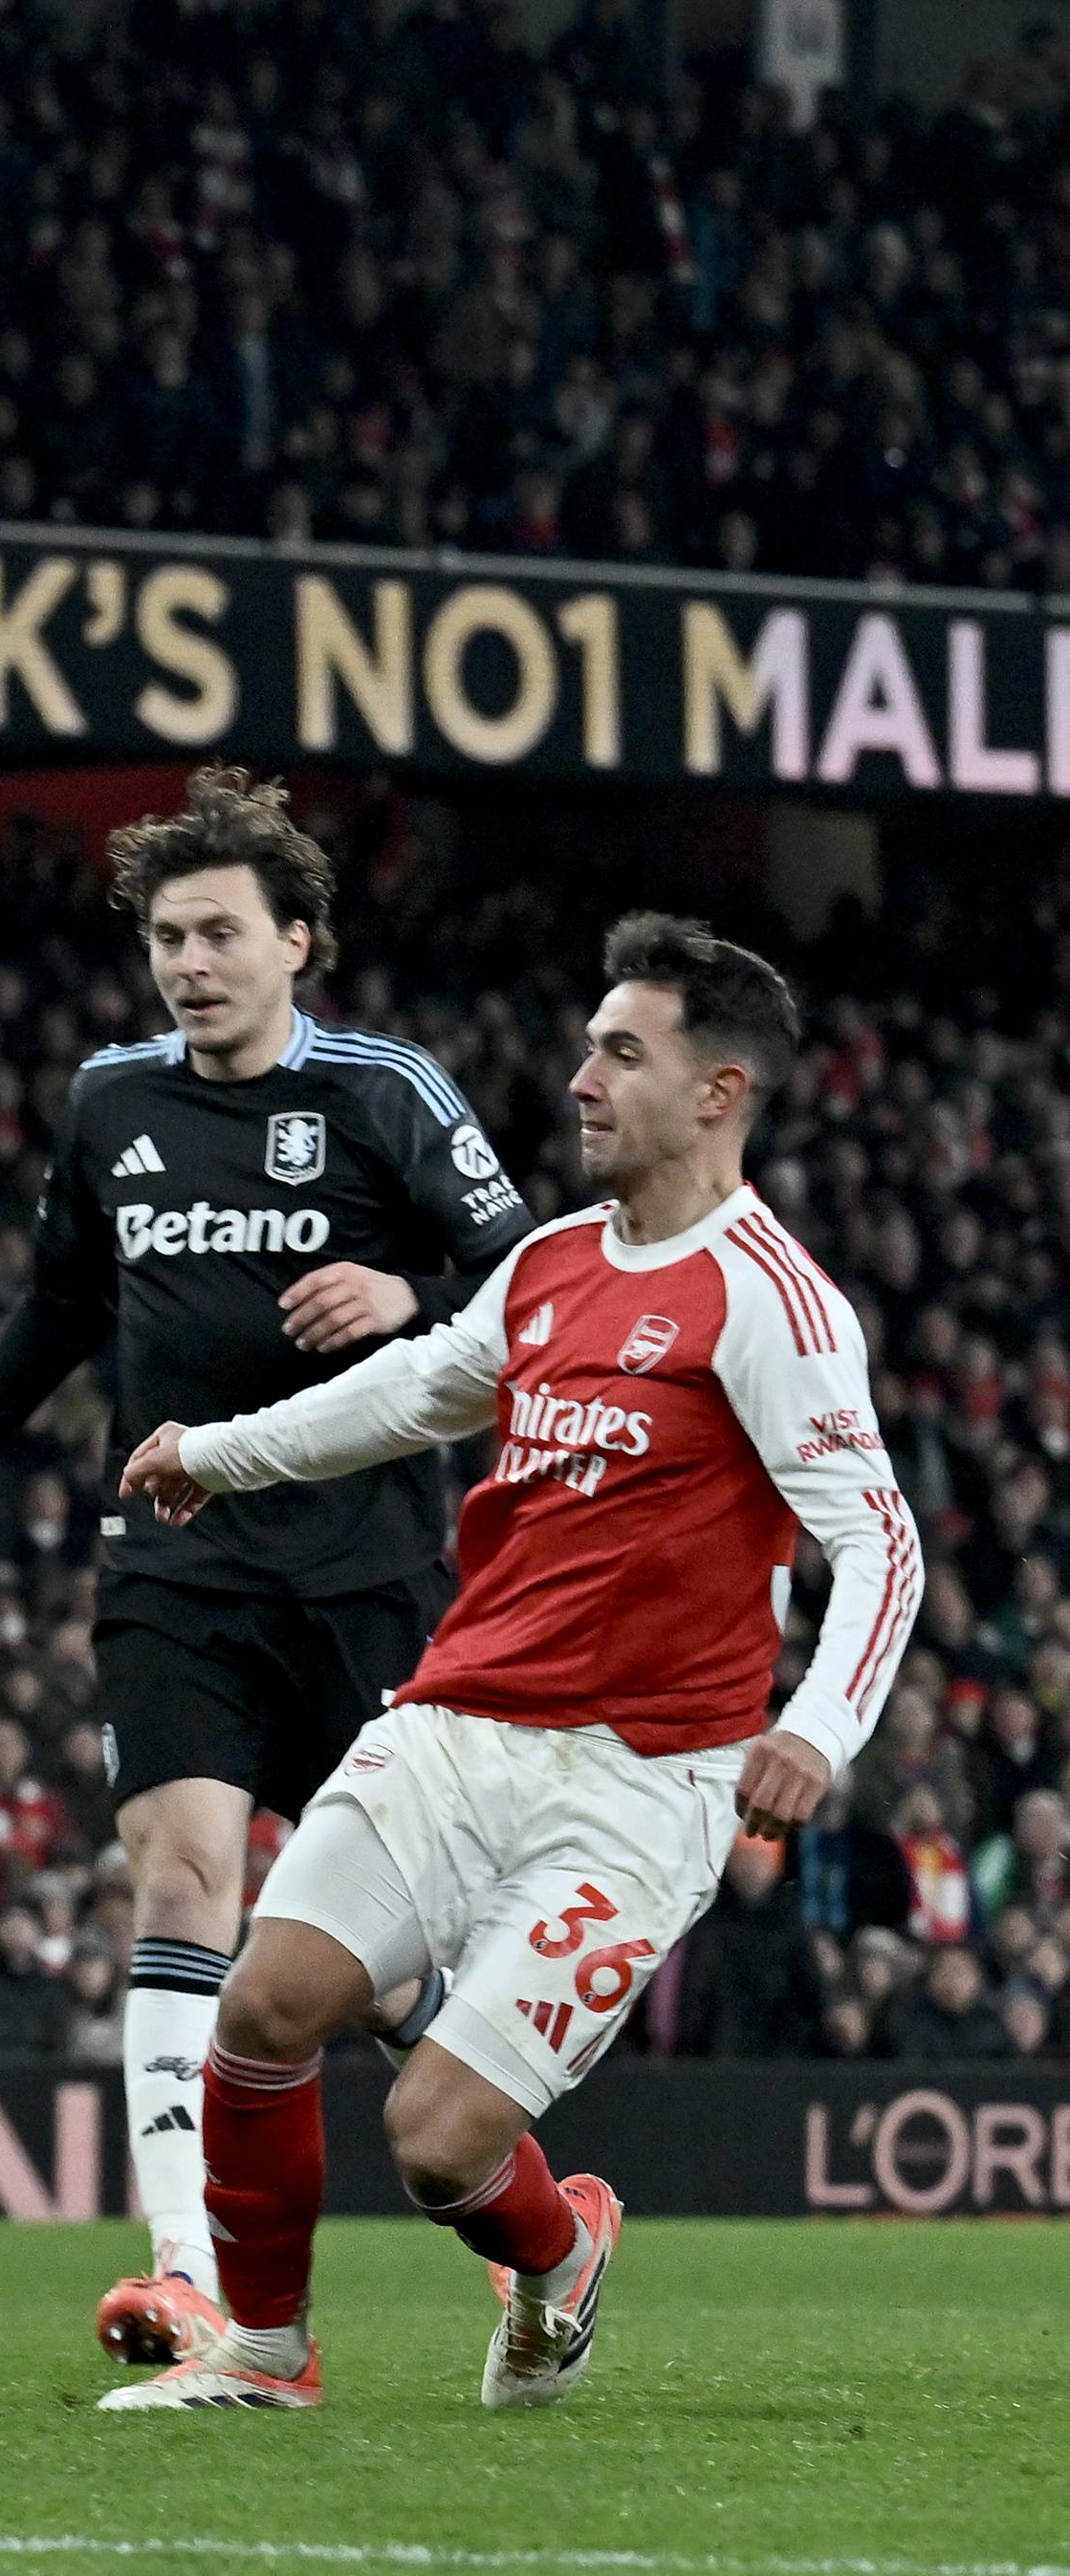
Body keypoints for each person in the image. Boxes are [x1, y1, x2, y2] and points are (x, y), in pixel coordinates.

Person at [104, 914, 919, 2412]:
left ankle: (561, 2251)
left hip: (638, 1786)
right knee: (263, 2007)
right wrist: (218, 1452)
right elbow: (415, 1391)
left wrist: (819, 1726)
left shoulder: (771, 1301)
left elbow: (880, 1542)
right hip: (457, 1725)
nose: (582, 1080)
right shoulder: (552, 1262)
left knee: (435, 2139)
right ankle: (268, 2353)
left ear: (720, 1091)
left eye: (623, 1053)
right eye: (589, 1048)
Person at [0, 770, 528, 2368]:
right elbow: (58, 1306)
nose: (190, 963)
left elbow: (532, 1279)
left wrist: (411, 1299)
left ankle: (518, 2212)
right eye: (167, 937)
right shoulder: (111, 1103)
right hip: (176, 1556)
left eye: (220, 932)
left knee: (372, 1960)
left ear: (297, 942)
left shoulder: (387, 1092)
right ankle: (186, 2268)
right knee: (179, 1877)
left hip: (362, 1566)